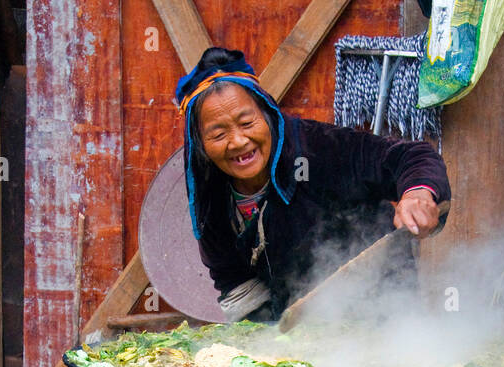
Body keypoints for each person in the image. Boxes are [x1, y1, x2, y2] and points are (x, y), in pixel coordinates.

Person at [176, 47, 451, 323]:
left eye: (247, 123)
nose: (237, 141)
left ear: (268, 115)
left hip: (383, 311)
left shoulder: (319, 149)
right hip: (302, 334)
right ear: (200, 144)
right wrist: (266, 342)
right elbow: (234, 280)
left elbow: (410, 157)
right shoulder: (209, 195)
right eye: (219, 134)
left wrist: (418, 193)